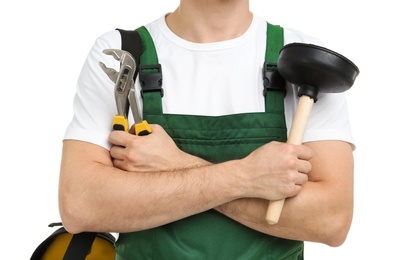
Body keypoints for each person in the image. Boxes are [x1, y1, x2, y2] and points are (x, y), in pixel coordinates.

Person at [58, 0, 355, 259]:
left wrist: (175, 164)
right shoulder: (126, 52)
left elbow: (331, 221)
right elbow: (80, 206)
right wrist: (248, 177)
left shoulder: (306, 62)